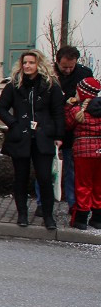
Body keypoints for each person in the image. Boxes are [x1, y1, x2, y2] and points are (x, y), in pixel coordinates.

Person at [0, 49, 64, 229]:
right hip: (21, 137)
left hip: (43, 137)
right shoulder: (14, 85)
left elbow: (58, 112)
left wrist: (58, 135)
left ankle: (48, 216)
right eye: (25, 62)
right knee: (20, 178)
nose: (27, 66)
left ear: (38, 64)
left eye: (31, 63)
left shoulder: (50, 85)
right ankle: (22, 215)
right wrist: (14, 124)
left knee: (44, 177)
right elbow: (1, 108)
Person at [54, 46, 94, 215]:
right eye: (64, 67)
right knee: (49, 169)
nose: (68, 70)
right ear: (58, 61)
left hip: (73, 128)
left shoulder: (84, 73)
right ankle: (44, 203)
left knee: (71, 168)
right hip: (52, 125)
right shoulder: (49, 74)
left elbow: (89, 100)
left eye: (71, 66)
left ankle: (73, 204)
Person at [65, 77, 101, 229]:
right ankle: (98, 219)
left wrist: (67, 106)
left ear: (83, 92)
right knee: (99, 184)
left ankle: (80, 219)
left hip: (83, 152)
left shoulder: (77, 111)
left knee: (83, 185)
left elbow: (67, 124)